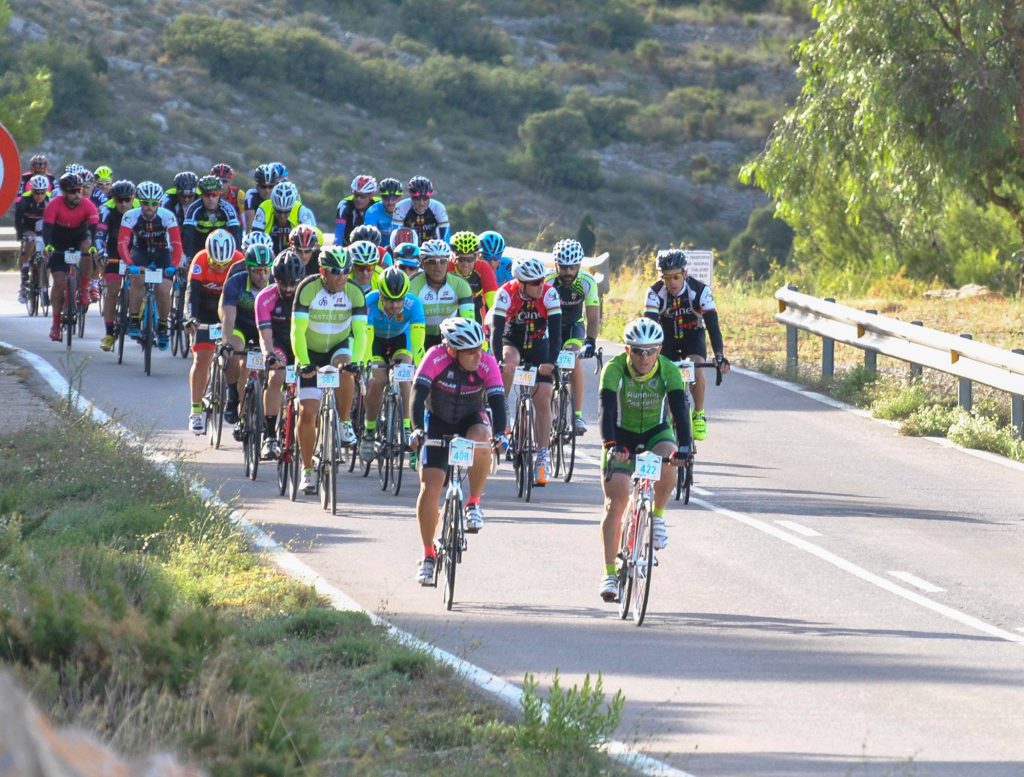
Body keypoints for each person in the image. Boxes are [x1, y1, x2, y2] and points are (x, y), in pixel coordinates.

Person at [597, 318, 691, 602]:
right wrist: (611, 444)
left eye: (651, 351)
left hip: (655, 432)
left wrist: (684, 447)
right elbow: (606, 409)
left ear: (659, 350)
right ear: (627, 349)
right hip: (620, 437)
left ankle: (658, 516)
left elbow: (679, 409)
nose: (644, 357)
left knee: (669, 455)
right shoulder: (614, 370)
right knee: (616, 503)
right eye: (638, 351)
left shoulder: (669, 370)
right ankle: (609, 573)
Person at [408, 317, 506, 585]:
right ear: (452, 351)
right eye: (470, 351)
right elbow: (417, 395)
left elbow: (498, 401)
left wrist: (500, 434)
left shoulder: (486, 363)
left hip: (470, 418)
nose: (478, 355)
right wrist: (417, 430)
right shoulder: (435, 357)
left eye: (480, 348)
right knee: (430, 488)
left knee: (483, 439)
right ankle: (428, 555)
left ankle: (473, 503)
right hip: (437, 421)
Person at [291, 246, 368, 494]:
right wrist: (303, 362)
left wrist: (357, 362)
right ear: (323, 271)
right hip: (310, 351)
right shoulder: (307, 288)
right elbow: (297, 331)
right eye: (336, 271)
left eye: (346, 271)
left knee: (346, 367)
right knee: (308, 413)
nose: (342, 277)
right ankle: (307, 469)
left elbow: (361, 333)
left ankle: (344, 421)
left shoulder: (354, 292)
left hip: (338, 346)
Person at [490, 256, 562, 486]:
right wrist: (499, 360)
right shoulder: (505, 293)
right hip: (512, 341)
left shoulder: (549, 294)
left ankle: (542, 457)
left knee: (543, 397)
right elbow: (496, 331)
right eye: (535, 282)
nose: (541, 285)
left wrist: (551, 362)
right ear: (520, 283)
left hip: (539, 345)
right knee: (509, 362)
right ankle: (503, 409)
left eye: (542, 280)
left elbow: (556, 333)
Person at [643, 249, 730, 441]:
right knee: (662, 374)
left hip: (693, 336)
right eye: (667, 278)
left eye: (676, 276)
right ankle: (663, 420)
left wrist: (719, 355)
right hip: (666, 338)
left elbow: (713, 328)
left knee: (694, 367)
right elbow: (650, 328)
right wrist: (648, 355)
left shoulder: (701, 291)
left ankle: (698, 414)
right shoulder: (654, 293)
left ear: (685, 274)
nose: (672, 282)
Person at [359, 266, 426, 463]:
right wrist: (366, 364)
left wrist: (419, 365)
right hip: (376, 341)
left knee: (404, 375)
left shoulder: (414, 305)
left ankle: (407, 427)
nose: (395, 305)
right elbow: (366, 340)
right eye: (389, 300)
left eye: (399, 300)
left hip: (401, 340)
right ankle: (370, 430)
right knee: (377, 381)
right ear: (380, 295)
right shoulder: (369, 302)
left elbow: (418, 342)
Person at [184, 229, 244, 434]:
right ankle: (196, 410)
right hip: (205, 310)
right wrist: (191, 318)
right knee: (201, 358)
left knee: (236, 354)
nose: (220, 267)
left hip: (231, 310)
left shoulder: (239, 260)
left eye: (224, 264)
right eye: (216, 263)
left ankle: (234, 396)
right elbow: (191, 294)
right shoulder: (200, 260)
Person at [117, 181, 184, 350]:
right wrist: (130, 264)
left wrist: (174, 264)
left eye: (154, 203)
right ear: (139, 202)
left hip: (162, 254)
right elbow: (122, 243)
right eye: (145, 203)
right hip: (140, 252)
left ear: (159, 203)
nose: (149, 207)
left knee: (163, 289)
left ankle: (162, 325)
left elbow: (176, 244)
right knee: (137, 279)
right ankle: (134, 319)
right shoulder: (130, 216)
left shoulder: (167, 216)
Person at [255, 249, 306, 459]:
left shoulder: (309, 296)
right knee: (276, 376)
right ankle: (269, 436)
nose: (288, 288)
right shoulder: (264, 298)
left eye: (293, 283)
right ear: (275, 279)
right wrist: (269, 355)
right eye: (282, 283)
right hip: (279, 344)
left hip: (302, 344)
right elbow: (265, 336)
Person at [547, 238, 601, 434]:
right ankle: (547, 411)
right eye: (563, 267)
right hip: (549, 327)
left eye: (573, 267)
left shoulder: (587, 282)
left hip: (573, 326)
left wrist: (590, 342)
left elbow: (593, 318)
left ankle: (577, 416)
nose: (568, 272)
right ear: (556, 265)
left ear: (579, 265)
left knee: (574, 360)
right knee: (547, 366)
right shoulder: (547, 280)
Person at [220, 243, 274, 427]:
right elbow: (228, 318)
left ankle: (260, 407)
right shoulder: (235, 282)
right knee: (233, 352)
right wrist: (226, 343)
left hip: (265, 328)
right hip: (240, 325)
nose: (263, 276)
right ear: (248, 269)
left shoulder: (276, 283)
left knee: (264, 365)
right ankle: (232, 393)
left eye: (266, 270)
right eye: (257, 271)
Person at [41, 172, 100, 342]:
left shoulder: (88, 205)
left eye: (79, 190)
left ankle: (84, 288)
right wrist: (48, 245)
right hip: (58, 241)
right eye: (72, 191)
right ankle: (55, 324)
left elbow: (94, 229)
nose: (77, 194)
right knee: (59, 282)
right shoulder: (54, 205)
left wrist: (94, 246)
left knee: (88, 247)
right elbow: (47, 229)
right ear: (64, 192)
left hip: (79, 237)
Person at [409, 238, 474, 350]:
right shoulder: (413, 284)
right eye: (432, 262)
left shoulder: (460, 285)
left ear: (448, 263)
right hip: (420, 335)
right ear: (423, 264)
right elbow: (406, 320)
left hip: (450, 336)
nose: (438, 267)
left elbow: (469, 322)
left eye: (443, 261)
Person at [96, 180, 136, 351]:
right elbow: (99, 236)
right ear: (114, 199)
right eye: (119, 200)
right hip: (114, 254)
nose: (124, 204)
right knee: (112, 291)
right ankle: (109, 333)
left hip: (136, 253)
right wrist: (100, 251)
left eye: (127, 200)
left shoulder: (140, 209)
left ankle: (137, 318)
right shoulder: (107, 210)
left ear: (133, 198)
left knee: (140, 286)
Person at [182, 175, 242, 259]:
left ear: (219, 194)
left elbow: (236, 234)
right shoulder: (193, 208)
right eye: (207, 195)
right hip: (199, 249)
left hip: (221, 248)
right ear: (201, 195)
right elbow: (188, 235)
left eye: (214, 194)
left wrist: (238, 258)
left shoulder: (228, 208)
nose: (211, 198)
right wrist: (188, 258)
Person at [250, 181, 319, 254]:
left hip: (294, 253)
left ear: (292, 207)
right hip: (268, 253)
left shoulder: (300, 210)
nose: (282, 216)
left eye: (286, 212)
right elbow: (255, 235)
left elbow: (310, 236)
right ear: (273, 205)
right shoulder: (264, 207)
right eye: (278, 211)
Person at [448, 230, 498, 325]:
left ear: (477, 257)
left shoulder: (483, 268)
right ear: (453, 257)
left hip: (475, 310)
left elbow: (492, 300)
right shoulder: (447, 268)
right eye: (461, 259)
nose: (465, 264)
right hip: (450, 309)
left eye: (470, 259)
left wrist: (496, 323)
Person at [15, 175, 50, 304]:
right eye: (36, 192)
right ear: (32, 190)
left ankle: (44, 286)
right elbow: (18, 221)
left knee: (47, 254)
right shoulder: (24, 200)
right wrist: (21, 234)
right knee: (30, 241)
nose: (39, 196)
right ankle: (24, 279)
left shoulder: (50, 200)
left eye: (42, 192)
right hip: (27, 227)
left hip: (43, 228)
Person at [391, 176, 450, 244]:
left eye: (425, 198)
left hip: (432, 247)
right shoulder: (401, 207)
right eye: (417, 198)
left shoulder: (438, 208)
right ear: (411, 196)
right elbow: (395, 236)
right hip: (409, 246)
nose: (421, 203)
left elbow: (445, 237)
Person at [334, 175, 379, 246]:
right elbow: (339, 233)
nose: (358, 199)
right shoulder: (344, 204)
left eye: (363, 196)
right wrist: (338, 247)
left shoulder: (378, 204)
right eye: (356, 195)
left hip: (373, 245)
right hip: (348, 245)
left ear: (371, 196)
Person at [363, 176, 402, 246]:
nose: (390, 202)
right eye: (386, 198)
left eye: (394, 198)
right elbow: (370, 238)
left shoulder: (405, 210)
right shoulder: (373, 211)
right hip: (379, 249)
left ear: (399, 197)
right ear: (381, 197)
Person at [243, 163, 277, 228]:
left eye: (270, 187)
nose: (267, 191)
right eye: (263, 187)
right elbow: (250, 223)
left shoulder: (279, 195)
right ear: (257, 186)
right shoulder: (251, 195)